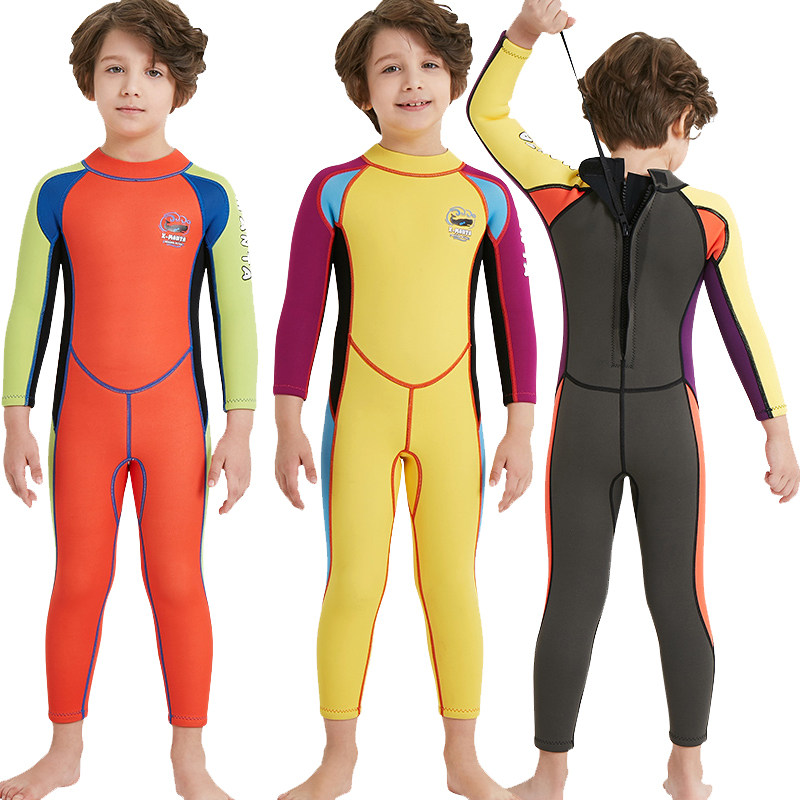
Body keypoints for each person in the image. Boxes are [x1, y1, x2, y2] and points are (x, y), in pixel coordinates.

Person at [467, 2, 800, 799]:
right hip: (668, 426)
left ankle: (549, 775)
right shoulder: (708, 214)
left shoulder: (558, 191)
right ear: (683, 119)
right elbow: (741, 326)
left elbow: (486, 115)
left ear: (597, 112)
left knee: (571, 598)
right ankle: (687, 770)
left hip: (580, 422)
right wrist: (776, 429)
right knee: (679, 598)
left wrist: (525, 33)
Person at [273, 1, 536, 798]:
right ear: (363, 90)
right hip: (361, 417)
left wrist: (520, 429)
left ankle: (463, 758)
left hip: (455, 421)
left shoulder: (486, 196)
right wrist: (287, 423)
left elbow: (516, 321)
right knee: (354, 583)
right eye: (390, 68)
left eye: (428, 65)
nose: (412, 82)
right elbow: (300, 312)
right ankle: (338, 758)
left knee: (452, 585)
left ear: (454, 80)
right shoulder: (335, 189)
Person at [0, 2, 257, 799]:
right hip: (83, 423)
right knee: (78, 581)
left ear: (180, 87)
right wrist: (16, 423)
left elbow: (236, 317)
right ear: (89, 80)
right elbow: (28, 313)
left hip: (176, 423)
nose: (133, 87)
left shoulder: (209, 194)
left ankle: (190, 759)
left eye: (153, 71)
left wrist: (239, 429)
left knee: (177, 583)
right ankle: (63, 752)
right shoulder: (58, 192)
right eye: (115, 68)